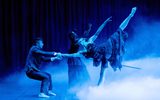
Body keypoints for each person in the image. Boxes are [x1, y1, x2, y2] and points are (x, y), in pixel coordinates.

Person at [62, 7, 137, 86]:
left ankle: (130, 15)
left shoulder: (90, 40)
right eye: (79, 41)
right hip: (104, 56)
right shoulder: (83, 52)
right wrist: (60, 54)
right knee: (102, 75)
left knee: (118, 31)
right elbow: (71, 55)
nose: (80, 40)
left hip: (105, 48)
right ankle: (98, 91)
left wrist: (105, 22)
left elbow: (98, 31)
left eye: (80, 39)